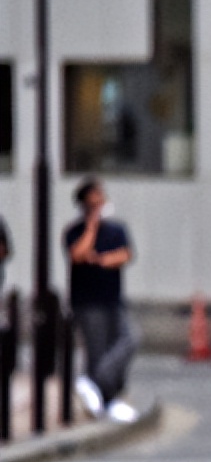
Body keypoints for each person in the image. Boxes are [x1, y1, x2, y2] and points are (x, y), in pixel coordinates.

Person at [64, 177, 140, 423]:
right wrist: (91, 227)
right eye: (94, 200)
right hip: (87, 301)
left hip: (112, 298)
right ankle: (107, 400)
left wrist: (103, 259)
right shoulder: (74, 231)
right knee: (96, 350)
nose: (100, 204)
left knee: (129, 339)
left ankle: (93, 382)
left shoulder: (116, 229)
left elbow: (125, 254)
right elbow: (78, 254)